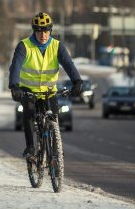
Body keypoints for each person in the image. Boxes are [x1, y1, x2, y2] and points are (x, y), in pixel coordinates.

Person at [9, 12, 83, 160]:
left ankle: (55, 149)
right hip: (28, 90)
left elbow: (68, 64)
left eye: (46, 30)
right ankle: (30, 147)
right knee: (29, 113)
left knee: (54, 117)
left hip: (49, 91)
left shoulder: (57, 46)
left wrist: (77, 81)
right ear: (34, 30)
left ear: (51, 30)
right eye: (39, 30)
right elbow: (15, 66)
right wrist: (14, 86)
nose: (43, 34)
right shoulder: (24, 46)